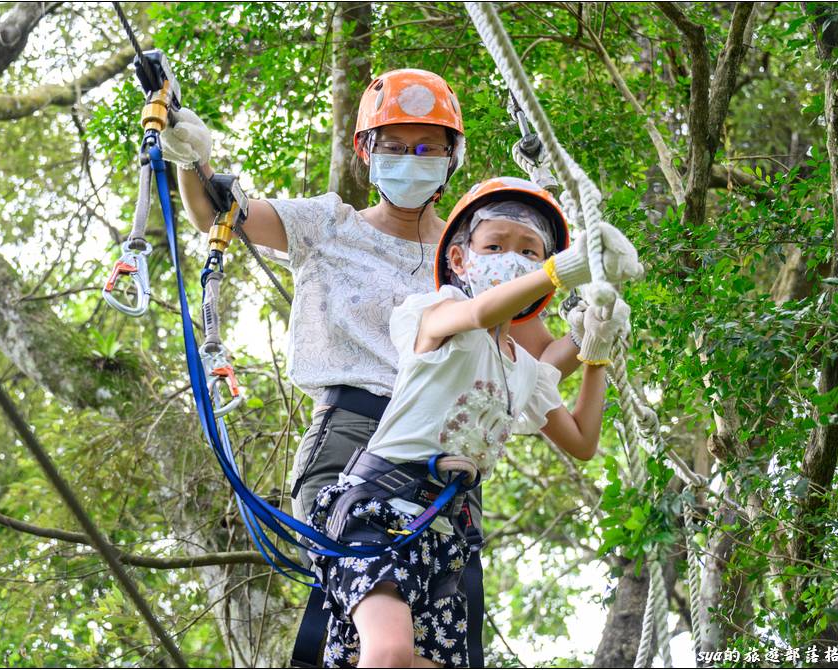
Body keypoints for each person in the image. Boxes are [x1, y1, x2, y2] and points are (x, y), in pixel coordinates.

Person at [159, 69, 634, 664]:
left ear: (452, 157)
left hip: (450, 460)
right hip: (356, 442)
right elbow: (216, 212)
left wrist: (594, 334)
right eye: (394, 145)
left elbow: (532, 365)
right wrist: (190, 158)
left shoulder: (482, 258)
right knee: (382, 643)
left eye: (429, 146)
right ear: (365, 151)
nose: (413, 158)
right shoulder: (336, 227)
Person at [307, 176, 640, 668]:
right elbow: (483, 310)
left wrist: (595, 349)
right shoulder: (435, 314)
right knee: (391, 654)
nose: (512, 258)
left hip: (444, 540)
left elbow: (583, 440)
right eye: (495, 245)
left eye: (530, 251)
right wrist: (564, 268)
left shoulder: (522, 371)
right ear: (461, 261)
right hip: (376, 510)